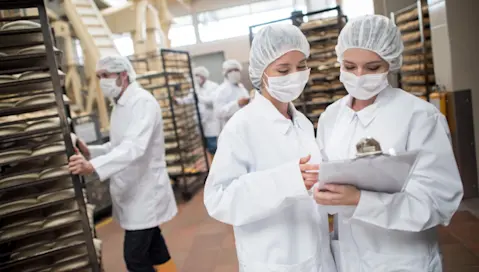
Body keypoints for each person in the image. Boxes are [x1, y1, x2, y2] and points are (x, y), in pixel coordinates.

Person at [313, 15, 463, 272]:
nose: (359, 76)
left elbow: (439, 201)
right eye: (350, 66)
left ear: (390, 63)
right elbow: (323, 174)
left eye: (372, 68)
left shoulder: (419, 116)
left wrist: (361, 200)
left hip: (401, 259)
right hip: (348, 258)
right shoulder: (331, 117)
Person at [204, 24, 336, 272]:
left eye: (301, 67)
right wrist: (286, 181)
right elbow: (218, 199)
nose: (294, 76)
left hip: (316, 253)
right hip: (274, 260)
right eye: (283, 69)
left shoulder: (303, 123)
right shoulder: (241, 127)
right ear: (261, 72)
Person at [68, 56, 178, 272]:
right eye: (99, 76)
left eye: (106, 76)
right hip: (133, 192)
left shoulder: (142, 102)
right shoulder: (120, 104)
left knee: (135, 258)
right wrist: (93, 152)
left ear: (123, 75)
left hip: (146, 193)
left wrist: (94, 166)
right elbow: (118, 145)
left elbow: (135, 147)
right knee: (155, 247)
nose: (101, 81)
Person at [175, 66, 220, 163]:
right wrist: (178, 101)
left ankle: (217, 164)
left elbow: (211, 101)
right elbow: (190, 99)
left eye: (197, 75)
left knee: (213, 146)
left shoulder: (213, 86)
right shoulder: (196, 88)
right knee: (206, 147)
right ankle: (211, 165)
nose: (196, 78)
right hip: (201, 122)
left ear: (203, 76)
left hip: (211, 122)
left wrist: (198, 97)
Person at [214, 59, 250, 129]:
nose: (234, 73)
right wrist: (237, 104)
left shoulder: (241, 87)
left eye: (236, 70)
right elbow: (218, 112)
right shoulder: (222, 90)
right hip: (232, 128)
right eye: (230, 71)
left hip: (245, 125)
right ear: (225, 74)